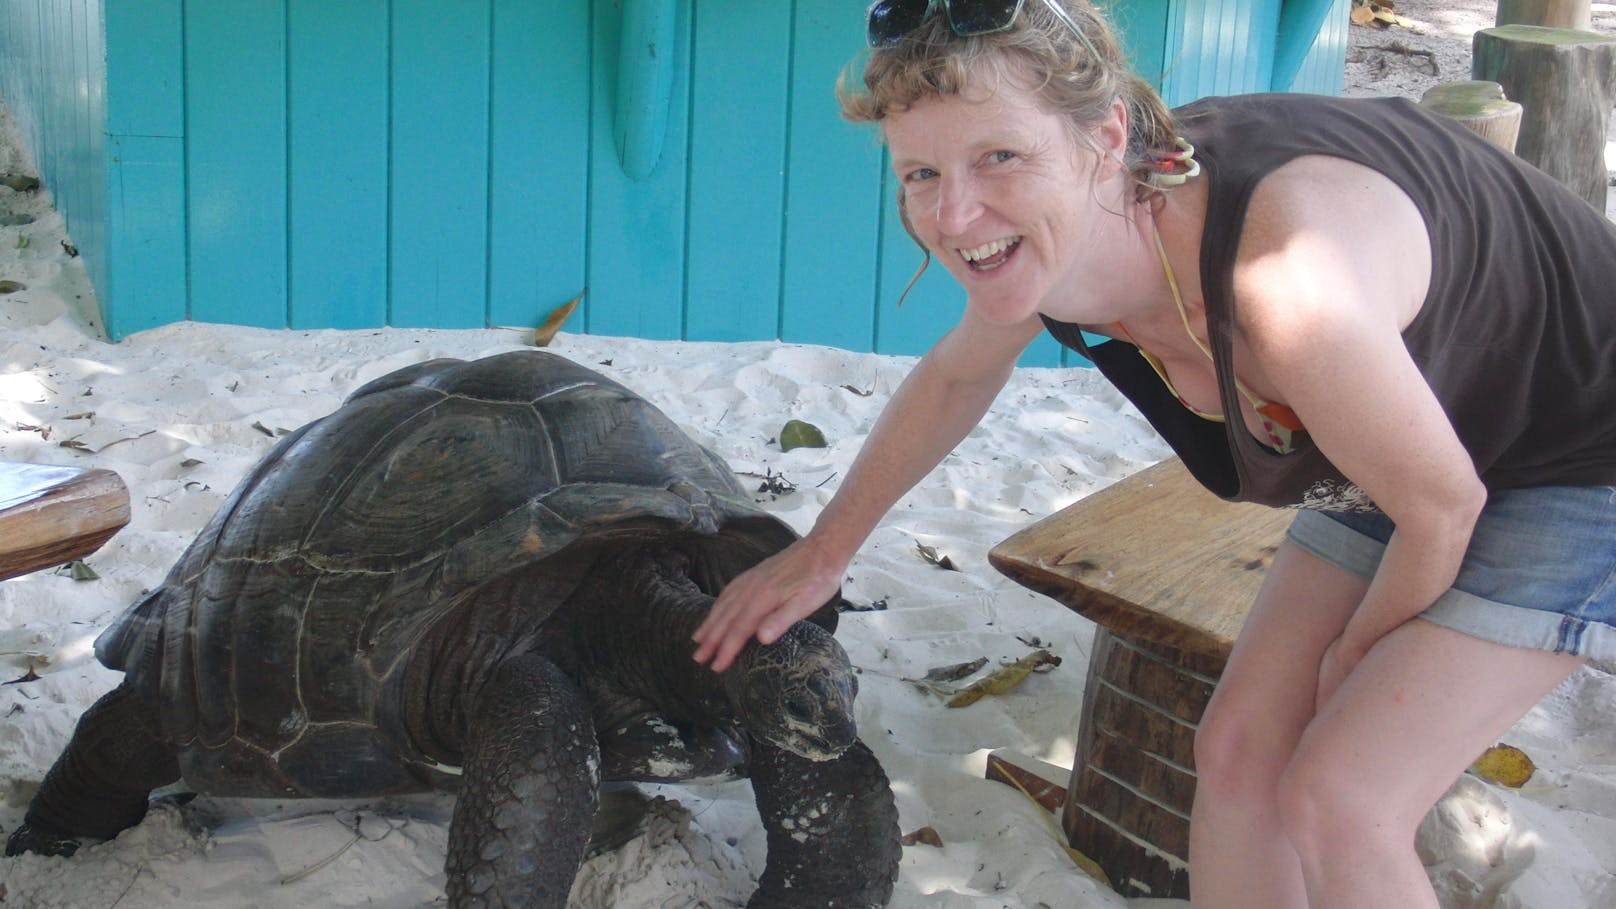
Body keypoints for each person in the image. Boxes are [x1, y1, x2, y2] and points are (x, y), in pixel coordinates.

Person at [693, 0, 1616, 905]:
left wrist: (1359, 653)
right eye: (919, 173)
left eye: (999, 157)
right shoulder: (1059, 242)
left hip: (1578, 445)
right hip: (1409, 431)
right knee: (1237, 754)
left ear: (1107, 137)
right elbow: (954, 378)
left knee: (1341, 796)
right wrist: (824, 551)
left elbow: (1444, 505)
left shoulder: (1282, 281)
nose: (958, 214)